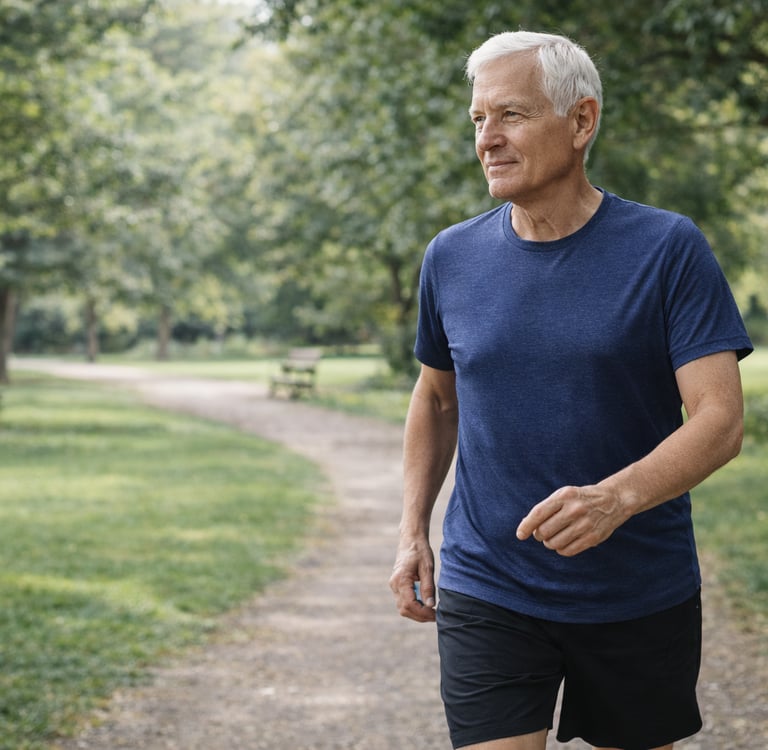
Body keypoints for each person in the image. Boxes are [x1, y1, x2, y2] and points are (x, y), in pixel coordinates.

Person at [388, 30, 753, 750]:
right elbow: (435, 399)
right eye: (478, 120)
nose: (487, 139)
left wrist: (615, 498)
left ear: (581, 121)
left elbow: (720, 420)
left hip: (636, 590)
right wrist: (411, 534)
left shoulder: (667, 249)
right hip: (488, 583)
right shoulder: (451, 257)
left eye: (512, 115)